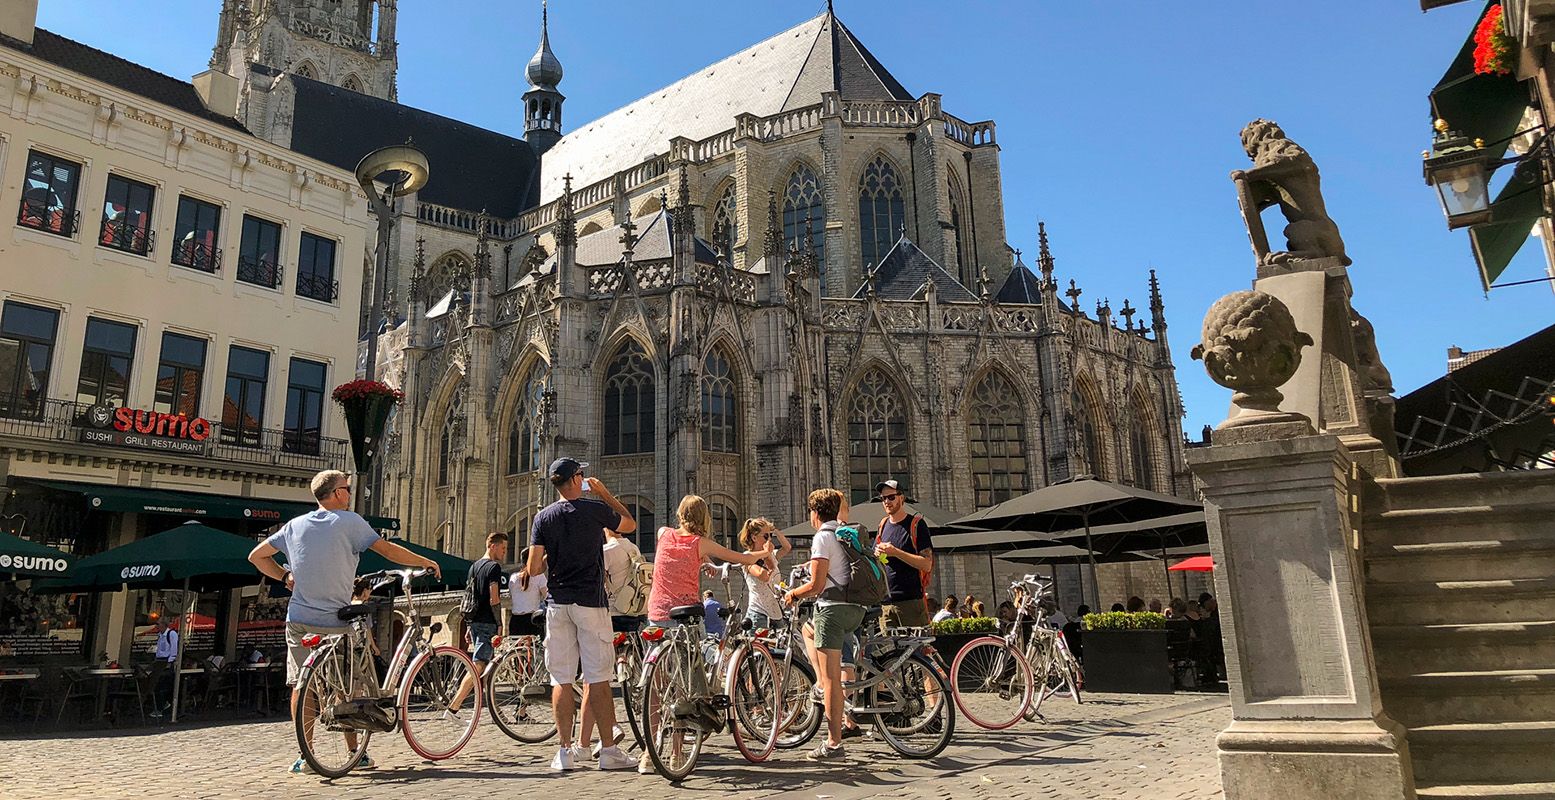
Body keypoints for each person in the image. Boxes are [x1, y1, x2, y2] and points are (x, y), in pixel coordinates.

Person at [248, 469, 440, 775]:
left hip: (298, 619)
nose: (350, 493)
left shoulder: (294, 526)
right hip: (336, 620)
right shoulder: (349, 521)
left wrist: (285, 575)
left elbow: (256, 556)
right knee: (348, 687)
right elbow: (387, 550)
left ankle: (305, 755)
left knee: (301, 684)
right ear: (337, 494)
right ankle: (354, 752)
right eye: (347, 488)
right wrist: (424, 561)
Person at [524, 457, 637, 772]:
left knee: (561, 679)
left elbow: (533, 568)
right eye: (582, 475)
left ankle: (564, 752)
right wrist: (605, 494)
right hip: (590, 603)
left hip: (558, 605)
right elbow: (629, 524)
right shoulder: (593, 510)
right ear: (576, 479)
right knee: (598, 678)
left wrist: (555, 555)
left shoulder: (542, 518)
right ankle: (610, 752)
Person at [642, 495, 771, 772]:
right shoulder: (701, 543)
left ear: (679, 514)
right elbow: (742, 557)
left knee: (658, 687)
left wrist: (706, 562)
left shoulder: (664, 534)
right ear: (704, 518)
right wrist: (765, 553)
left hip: (656, 613)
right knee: (683, 689)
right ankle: (676, 755)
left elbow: (680, 555)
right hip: (685, 616)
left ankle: (648, 755)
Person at [783, 488, 866, 762]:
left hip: (833, 612)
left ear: (815, 513)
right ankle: (827, 690)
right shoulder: (843, 533)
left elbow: (817, 585)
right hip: (855, 608)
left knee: (831, 681)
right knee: (816, 640)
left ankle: (833, 744)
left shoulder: (821, 537)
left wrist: (793, 594)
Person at [449, 532, 508, 716]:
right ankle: (454, 705)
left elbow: (469, 597)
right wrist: (499, 622)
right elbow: (494, 597)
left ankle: (495, 711)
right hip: (486, 622)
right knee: (479, 665)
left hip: (474, 621)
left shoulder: (474, 567)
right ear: (493, 546)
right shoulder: (493, 567)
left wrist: (468, 625)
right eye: (503, 548)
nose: (505, 553)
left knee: (487, 668)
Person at [872, 479, 934, 632]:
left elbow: (926, 564)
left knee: (916, 652)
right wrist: (877, 553)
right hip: (886, 603)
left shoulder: (916, 524)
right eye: (883, 498)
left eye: (891, 497)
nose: (887, 501)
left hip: (910, 601)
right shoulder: (883, 525)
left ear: (902, 498)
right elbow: (876, 558)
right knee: (890, 654)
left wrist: (896, 552)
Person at [737, 517, 791, 629]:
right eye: (766, 536)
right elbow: (763, 576)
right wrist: (766, 554)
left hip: (776, 613)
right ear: (754, 537)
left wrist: (775, 530)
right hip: (759, 612)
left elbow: (787, 547)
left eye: (770, 536)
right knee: (757, 646)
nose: (769, 539)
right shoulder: (748, 557)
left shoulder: (772, 555)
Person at [508, 546, 548, 638]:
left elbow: (512, 595)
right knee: (534, 650)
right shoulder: (539, 576)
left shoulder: (513, 577)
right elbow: (547, 596)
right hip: (532, 620)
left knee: (517, 650)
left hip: (516, 620)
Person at [148, 616, 179, 718]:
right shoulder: (160, 635)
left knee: (161, 686)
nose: (157, 626)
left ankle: (160, 708)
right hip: (159, 661)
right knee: (155, 685)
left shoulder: (172, 634)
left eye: (158, 624)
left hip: (166, 662)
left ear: (164, 625)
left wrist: (169, 662)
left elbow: (174, 650)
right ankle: (163, 705)